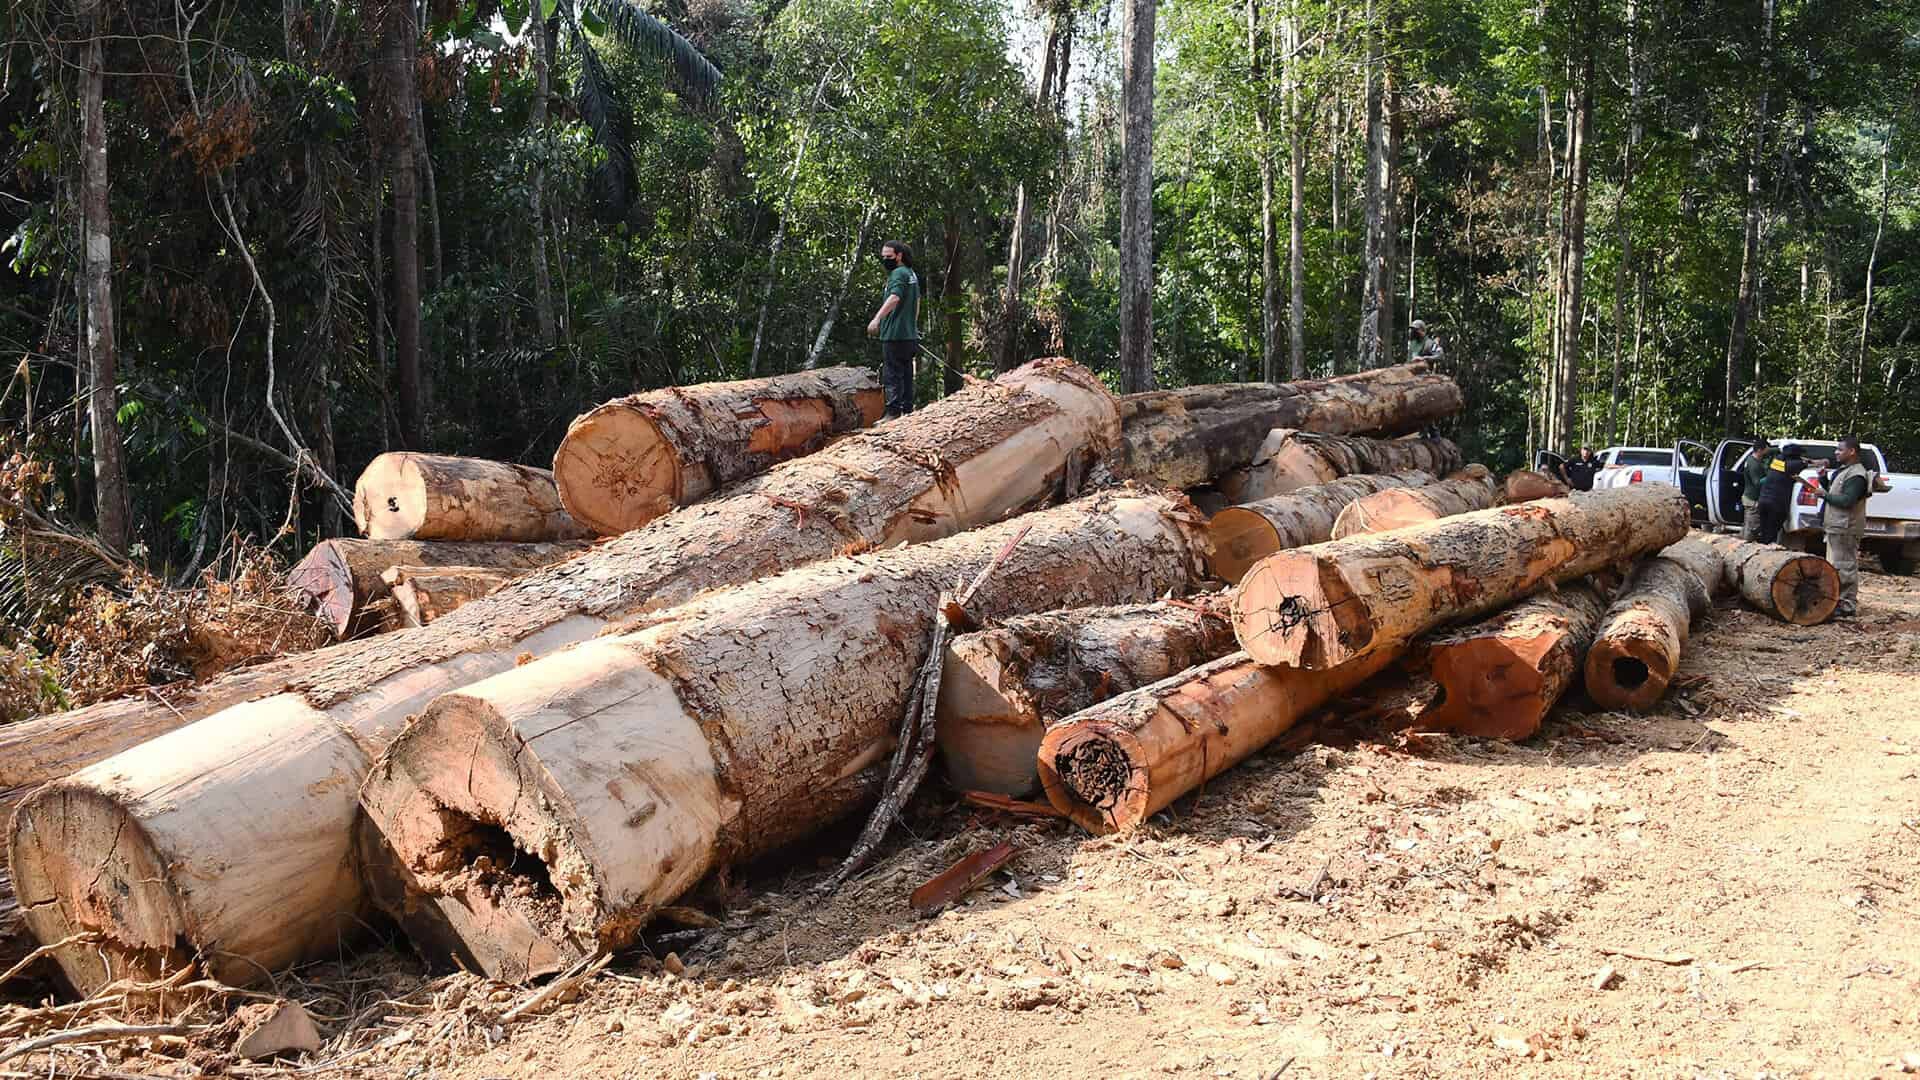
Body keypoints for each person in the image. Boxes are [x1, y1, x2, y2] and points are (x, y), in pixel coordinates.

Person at [1802, 435, 1875, 618]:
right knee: (1836, 566)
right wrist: (1824, 479)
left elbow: (1847, 501)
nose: (1836, 452)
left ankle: (1847, 605)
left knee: (1845, 567)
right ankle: (1836, 601)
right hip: (1836, 526)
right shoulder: (1845, 470)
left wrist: (1823, 494)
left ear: (1851, 451)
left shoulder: (1857, 475)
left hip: (1846, 527)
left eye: (1840, 449)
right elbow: (1836, 493)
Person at [866, 240, 921, 418]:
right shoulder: (910, 274)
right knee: (906, 374)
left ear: (899, 255)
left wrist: (877, 319)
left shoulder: (898, 274)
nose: (885, 260)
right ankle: (907, 410)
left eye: (889, 256)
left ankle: (893, 413)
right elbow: (917, 301)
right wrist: (912, 325)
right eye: (883, 257)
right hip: (908, 335)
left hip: (895, 334)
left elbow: (895, 298)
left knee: (892, 375)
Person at [1753, 443, 1808, 545]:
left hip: (1764, 501)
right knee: (1771, 534)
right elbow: (1803, 463)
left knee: (1765, 531)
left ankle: (1762, 551)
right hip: (1776, 504)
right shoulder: (1795, 465)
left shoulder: (1776, 462)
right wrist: (1816, 462)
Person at [1739, 437, 1777, 541]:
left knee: (1748, 525)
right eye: (1766, 449)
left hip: (1749, 498)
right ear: (1760, 450)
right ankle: (1747, 546)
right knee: (1753, 527)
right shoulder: (1754, 465)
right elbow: (1757, 482)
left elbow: (1773, 450)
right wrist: (1771, 476)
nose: (1768, 451)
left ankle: (1743, 543)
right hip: (1752, 500)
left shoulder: (1752, 460)